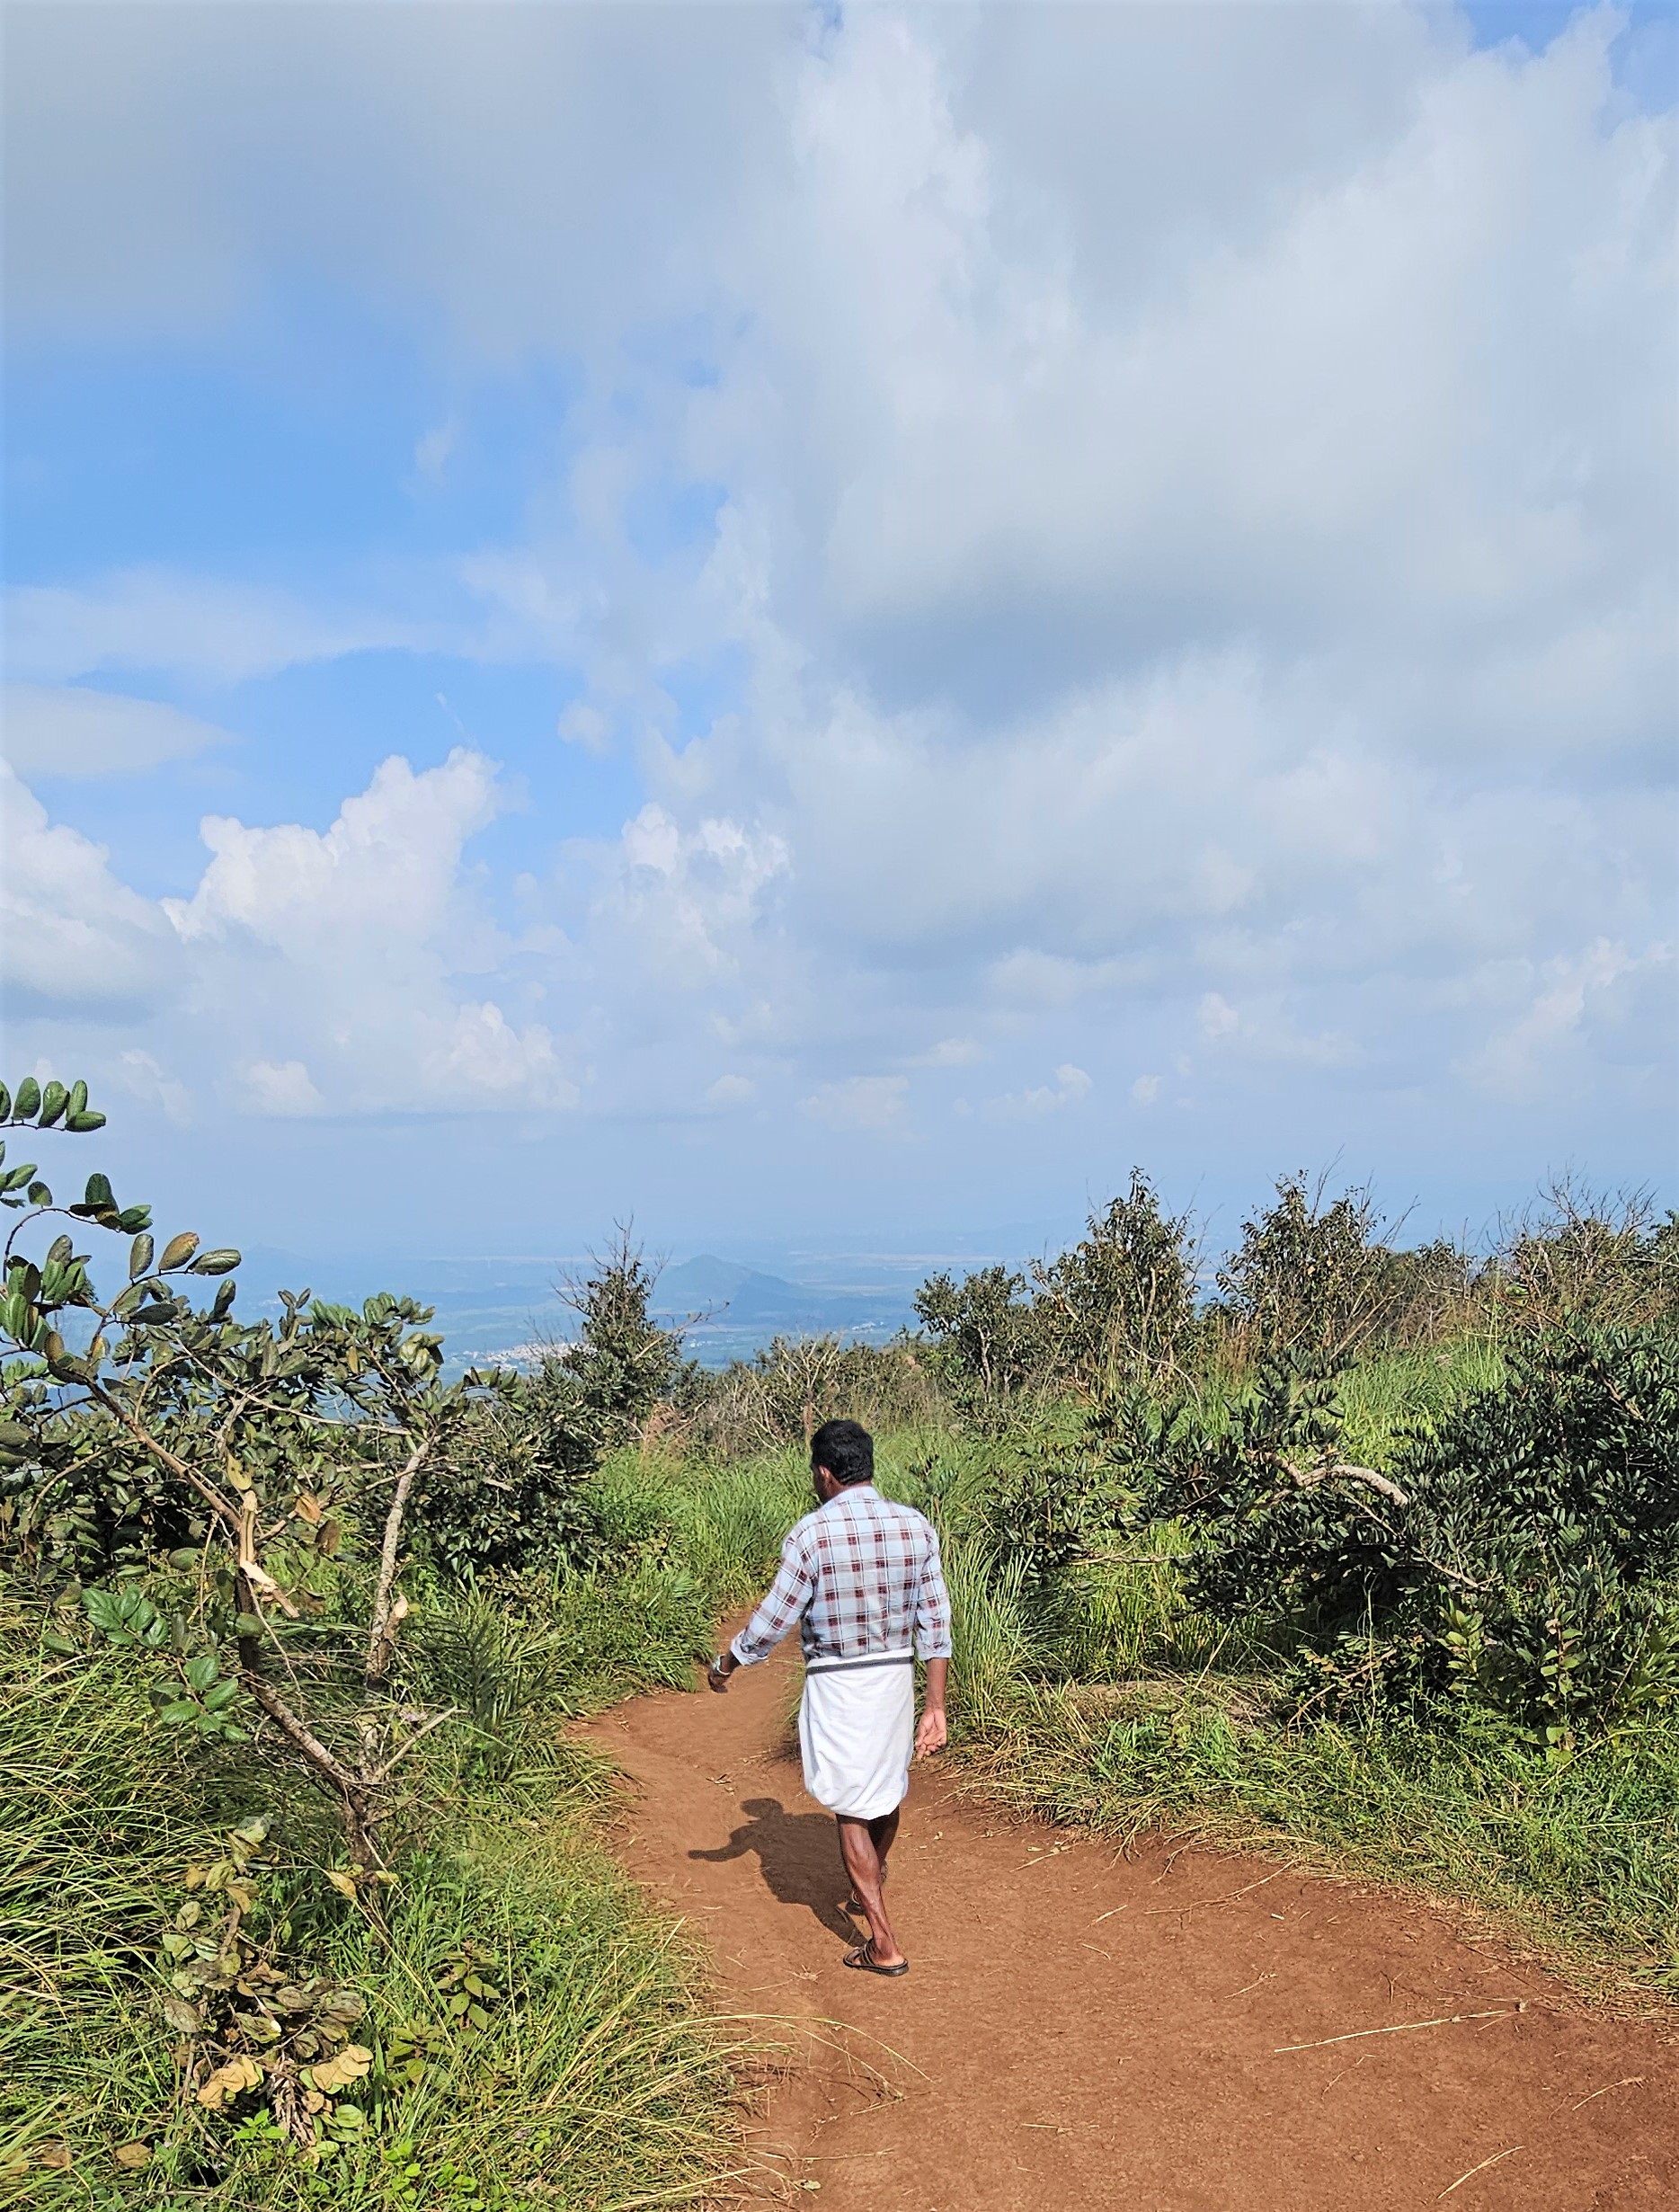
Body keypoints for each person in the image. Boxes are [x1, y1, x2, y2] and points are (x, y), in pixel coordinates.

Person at [706, 1417, 951, 1977]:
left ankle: (883, 1942)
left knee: (848, 1805)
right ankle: (872, 1876)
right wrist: (935, 1705)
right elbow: (935, 1624)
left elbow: (772, 1622)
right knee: (884, 1794)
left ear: (823, 1473)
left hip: (839, 1685)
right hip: (896, 1680)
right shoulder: (915, 1528)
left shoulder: (811, 1535)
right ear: (868, 1465)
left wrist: (729, 1662)